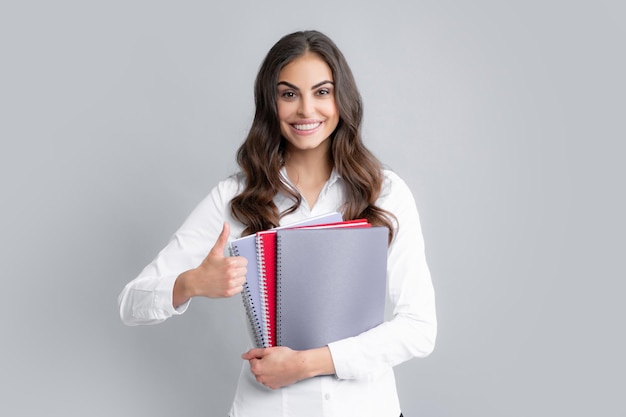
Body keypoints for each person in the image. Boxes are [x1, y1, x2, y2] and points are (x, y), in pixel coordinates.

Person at [118, 30, 436, 417]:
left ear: (342, 99)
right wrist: (192, 283)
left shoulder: (385, 193)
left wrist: (307, 363)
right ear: (270, 102)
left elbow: (420, 328)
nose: (306, 110)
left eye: (322, 92)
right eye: (289, 94)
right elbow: (131, 303)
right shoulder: (236, 197)